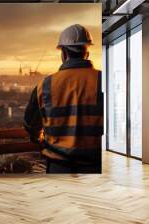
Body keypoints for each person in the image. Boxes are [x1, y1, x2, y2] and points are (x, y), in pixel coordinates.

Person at [24, 24, 103, 173]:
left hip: (59, 167)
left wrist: (39, 139)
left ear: (64, 53)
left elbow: (30, 124)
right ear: (86, 52)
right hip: (98, 167)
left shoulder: (45, 85)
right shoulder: (104, 80)